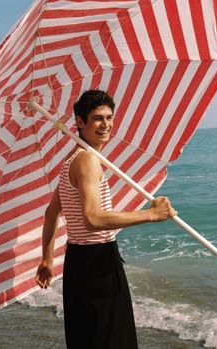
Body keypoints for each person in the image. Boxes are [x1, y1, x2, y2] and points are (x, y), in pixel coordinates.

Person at [35, 90, 177, 349]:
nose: (106, 125)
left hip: (78, 262)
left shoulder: (71, 160)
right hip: (97, 262)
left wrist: (46, 259)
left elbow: (51, 212)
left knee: (88, 339)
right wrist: (151, 214)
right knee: (112, 339)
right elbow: (93, 219)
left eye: (109, 117)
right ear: (79, 122)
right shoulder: (87, 160)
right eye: (98, 118)